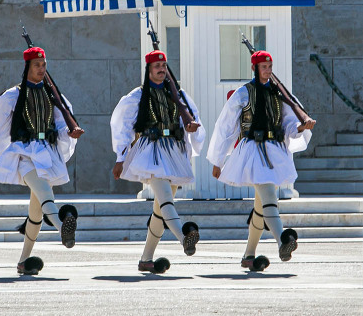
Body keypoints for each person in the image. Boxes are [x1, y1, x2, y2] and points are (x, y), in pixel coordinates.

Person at [0, 46, 84, 275]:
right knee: (45, 193)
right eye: (37, 65)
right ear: (28, 67)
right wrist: (6, 145)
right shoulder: (14, 95)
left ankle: (23, 261)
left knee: (36, 211)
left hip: (46, 152)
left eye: (44, 65)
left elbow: (61, 123)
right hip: (23, 154)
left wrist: (69, 133)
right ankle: (63, 228)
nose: (41, 69)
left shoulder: (53, 95)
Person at [207, 50, 316, 271]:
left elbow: (287, 123)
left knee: (261, 206)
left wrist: (300, 127)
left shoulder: (279, 94)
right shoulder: (243, 93)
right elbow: (227, 128)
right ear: (254, 68)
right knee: (268, 195)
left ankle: (249, 255)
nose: (268, 70)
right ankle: (282, 240)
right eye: (264, 67)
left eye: (270, 66)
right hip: (252, 151)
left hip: (275, 150)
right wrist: (218, 160)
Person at [111, 50, 205, 274]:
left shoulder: (178, 94)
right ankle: (183, 238)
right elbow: (121, 125)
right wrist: (120, 157)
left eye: (164, 66)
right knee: (165, 199)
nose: (161, 70)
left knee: (161, 208)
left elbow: (193, 117)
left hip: (173, 150)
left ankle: (146, 259)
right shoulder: (137, 96)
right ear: (149, 70)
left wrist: (192, 131)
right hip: (150, 151)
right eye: (157, 67)